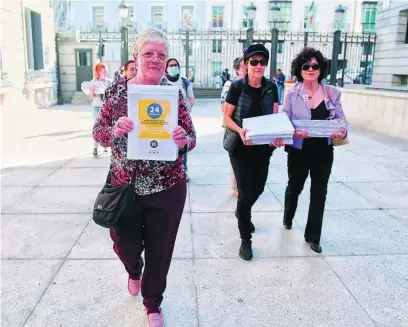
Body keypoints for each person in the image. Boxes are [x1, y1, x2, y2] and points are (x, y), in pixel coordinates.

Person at [93, 28, 196, 327]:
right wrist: (115, 131)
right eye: (148, 53)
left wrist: (181, 140)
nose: (155, 59)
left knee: (160, 250)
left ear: (167, 60)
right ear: (136, 57)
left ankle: (153, 303)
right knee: (124, 244)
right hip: (124, 185)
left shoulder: (173, 93)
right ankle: (133, 269)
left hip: (167, 185)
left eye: (161, 55)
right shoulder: (117, 92)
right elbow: (98, 133)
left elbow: (192, 138)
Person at [281, 47, 347, 253]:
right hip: (299, 149)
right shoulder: (292, 92)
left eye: (315, 66)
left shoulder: (331, 92)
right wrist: (294, 132)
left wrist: (341, 131)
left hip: (323, 150)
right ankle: (288, 216)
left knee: (319, 192)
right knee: (295, 186)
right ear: (299, 69)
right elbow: (284, 119)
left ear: (321, 69)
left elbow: (341, 120)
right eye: (306, 66)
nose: (310, 69)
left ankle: (313, 236)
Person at [223, 44, 280, 261]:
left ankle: (241, 211)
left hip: (263, 147)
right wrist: (240, 130)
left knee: (258, 189)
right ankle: (245, 240)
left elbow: (274, 116)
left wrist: (277, 135)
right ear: (246, 64)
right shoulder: (237, 87)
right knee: (246, 193)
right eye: (254, 62)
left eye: (262, 62)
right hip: (239, 146)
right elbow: (226, 118)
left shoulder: (271, 87)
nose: (258, 66)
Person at [164, 58, 195, 181]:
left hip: (182, 119)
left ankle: (183, 170)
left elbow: (191, 98)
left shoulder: (184, 81)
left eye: (175, 65)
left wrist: (187, 110)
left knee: (182, 143)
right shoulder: (162, 81)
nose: (173, 67)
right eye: (170, 65)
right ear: (166, 68)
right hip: (166, 118)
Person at [220, 56, 247, 198]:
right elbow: (224, 107)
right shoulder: (230, 84)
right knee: (235, 158)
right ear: (237, 69)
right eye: (244, 66)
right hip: (234, 126)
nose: (247, 69)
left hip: (250, 127)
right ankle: (236, 187)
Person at [89, 63, 112, 156]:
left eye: (106, 71)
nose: (105, 72)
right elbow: (91, 96)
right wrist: (92, 90)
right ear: (98, 71)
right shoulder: (93, 82)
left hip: (107, 107)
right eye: (103, 71)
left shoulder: (109, 81)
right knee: (96, 126)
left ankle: (106, 145)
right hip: (97, 107)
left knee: (107, 126)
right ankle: (95, 147)